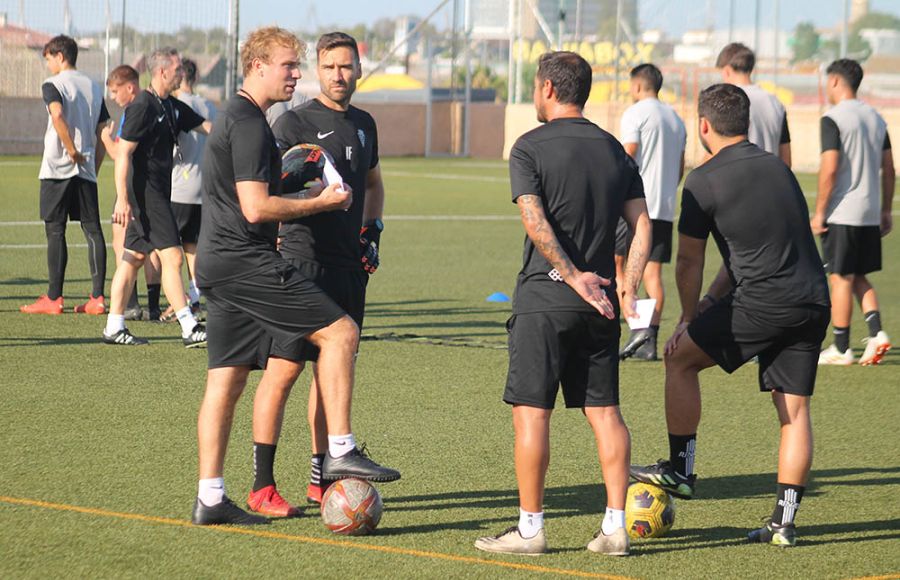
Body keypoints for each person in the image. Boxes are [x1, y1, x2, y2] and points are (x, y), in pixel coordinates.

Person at [191, 26, 399, 526]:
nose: (297, 74)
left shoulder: (243, 119)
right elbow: (257, 208)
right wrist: (319, 200)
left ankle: (211, 497)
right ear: (259, 65)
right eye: (290, 65)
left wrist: (302, 179)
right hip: (248, 261)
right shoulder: (250, 122)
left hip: (219, 263)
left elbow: (254, 190)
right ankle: (340, 450)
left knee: (227, 378)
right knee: (341, 333)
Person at [630, 84, 831, 548]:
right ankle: (784, 524)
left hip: (764, 302)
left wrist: (684, 320)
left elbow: (688, 262)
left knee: (680, 360)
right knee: (794, 413)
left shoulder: (702, 180)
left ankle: (680, 470)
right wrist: (709, 304)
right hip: (812, 300)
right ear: (745, 123)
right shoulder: (780, 171)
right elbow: (749, 256)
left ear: (703, 126)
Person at [474, 51, 651, 557]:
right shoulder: (616, 150)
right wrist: (628, 284)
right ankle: (615, 528)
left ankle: (531, 530)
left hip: (546, 297)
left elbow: (534, 220)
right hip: (600, 305)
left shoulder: (528, 147)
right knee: (606, 413)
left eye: (535, 85)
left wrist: (571, 275)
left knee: (532, 415)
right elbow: (644, 225)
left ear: (549, 88)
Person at [254, 31, 387, 512]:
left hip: (348, 266)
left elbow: (373, 183)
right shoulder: (292, 123)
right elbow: (272, 191)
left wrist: (371, 231)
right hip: (300, 260)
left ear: (357, 68)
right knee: (284, 369)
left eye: (347, 66)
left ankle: (321, 476)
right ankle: (262, 483)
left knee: (331, 374)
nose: (339, 75)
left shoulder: (365, 124)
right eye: (330, 66)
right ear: (318, 69)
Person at [101, 47, 211, 347]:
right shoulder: (142, 106)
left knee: (132, 258)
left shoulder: (170, 106)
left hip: (158, 193)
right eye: (177, 69)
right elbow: (123, 153)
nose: (182, 73)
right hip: (147, 196)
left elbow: (209, 128)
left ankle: (114, 326)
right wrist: (123, 199)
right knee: (173, 257)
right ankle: (189, 327)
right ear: (162, 72)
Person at [814, 59, 894, 366]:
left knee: (840, 278)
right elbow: (889, 168)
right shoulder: (876, 118)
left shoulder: (833, 118)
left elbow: (830, 169)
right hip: (870, 212)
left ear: (835, 81)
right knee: (859, 276)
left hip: (842, 212)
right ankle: (877, 333)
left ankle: (841, 347)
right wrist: (885, 209)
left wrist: (820, 212)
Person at [22, 35, 109, 316]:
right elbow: (103, 131)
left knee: (55, 229)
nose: (47, 63)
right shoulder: (94, 87)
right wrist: (92, 166)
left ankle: (53, 298)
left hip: (58, 168)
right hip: (85, 171)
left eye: (48, 58)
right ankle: (97, 298)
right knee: (92, 229)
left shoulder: (54, 84)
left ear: (60, 56)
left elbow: (58, 116)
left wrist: (70, 150)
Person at [617, 63, 686, 361]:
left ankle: (635, 328)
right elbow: (681, 165)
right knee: (653, 274)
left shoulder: (635, 113)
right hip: (665, 206)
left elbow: (628, 153)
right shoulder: (675, 118)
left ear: (637, 85)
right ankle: (649, 339)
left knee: (618, 265)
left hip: (635, 206)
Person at [100, 65, 162, 322]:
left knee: (124, 244)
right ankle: (154, 306)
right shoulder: (155, 106)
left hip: (131, 189)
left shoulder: (134, 112)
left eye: (115, 92)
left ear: (130, 87)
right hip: (153, 187)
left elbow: (120, 155)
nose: (114, 97)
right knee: (153, 248)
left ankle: (131, 305)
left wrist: (105, 138)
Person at [165, 57, 217, 319]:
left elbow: (173, 146)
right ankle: (194, 298)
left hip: (179, 184)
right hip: (204, 184)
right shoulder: (209, 105)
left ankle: (178, 302)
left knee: (168, 249)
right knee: (192, 246)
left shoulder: (177, 106)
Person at [716, 43, 791, 166]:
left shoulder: (729, 101)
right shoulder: (776, 103)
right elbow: (786, 157)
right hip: (771, 180)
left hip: (739, 180)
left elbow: (717, 150)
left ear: (727, 71)